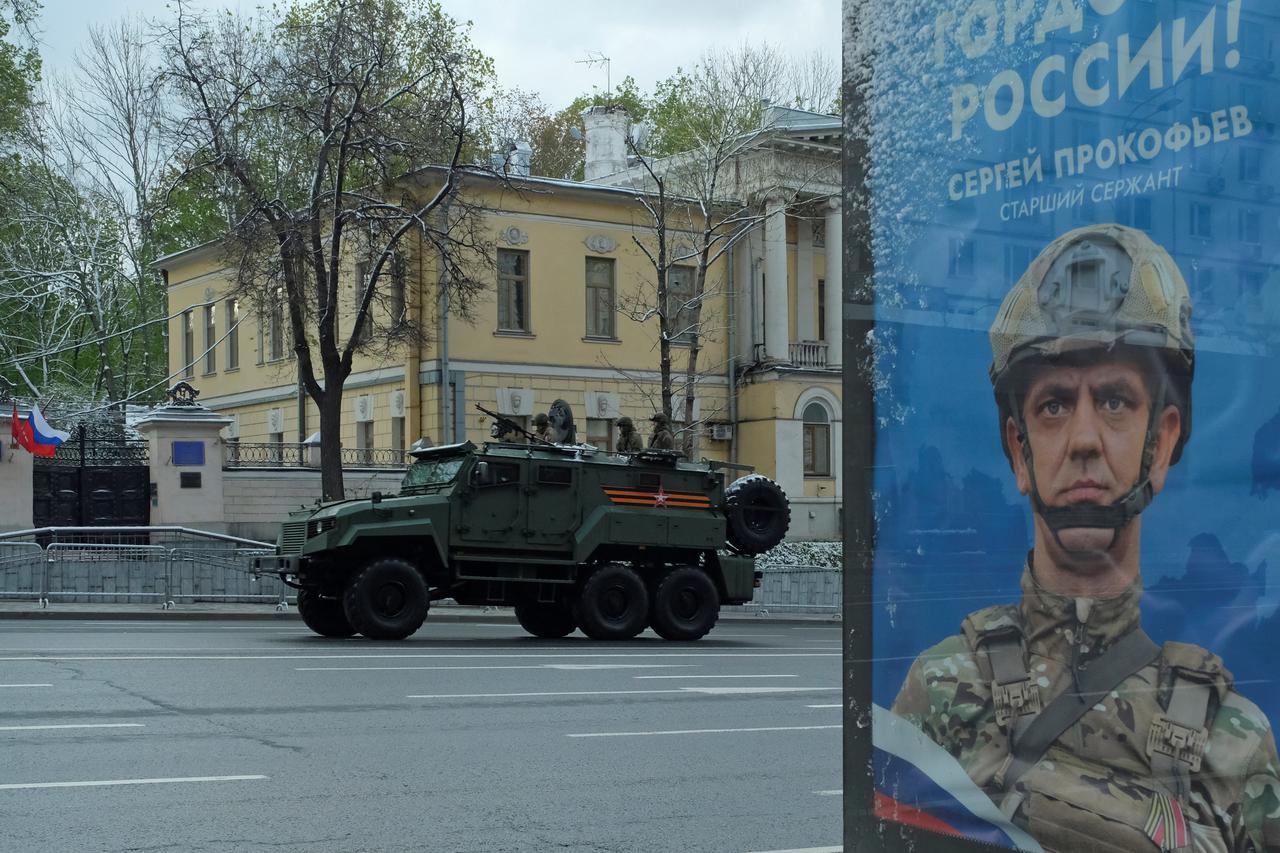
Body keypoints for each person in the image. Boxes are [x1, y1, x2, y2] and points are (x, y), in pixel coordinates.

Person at [890, 224, 1280, 851]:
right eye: (1053, 405)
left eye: (1116, 401)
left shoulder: (1232, 737)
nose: (1084, 440)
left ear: (1165, 441)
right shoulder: (940, 691)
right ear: (1020, 450)